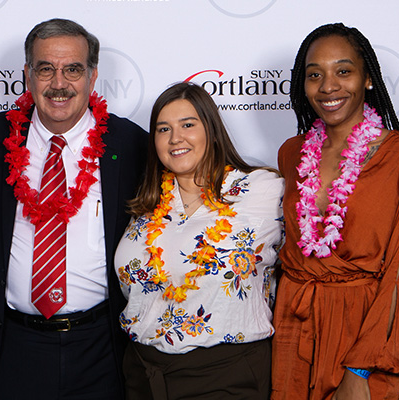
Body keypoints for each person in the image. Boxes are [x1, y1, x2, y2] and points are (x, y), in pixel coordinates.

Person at [0, 18, 148, 399]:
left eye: (73, 70)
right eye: (46, 69)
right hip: (15, 344)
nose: (59, 83)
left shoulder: (130, 144)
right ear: (27, 75)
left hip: (100, 345)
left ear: (93, 75)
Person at [271, 23, 399, 400]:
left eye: (343, 71)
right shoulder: (291, 152)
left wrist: (361, 367)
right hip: (292, 326)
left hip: (359, 332)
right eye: (315, 75)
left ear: (368, 80)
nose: (328, 86)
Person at [115, 82, 283, 399]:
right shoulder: (146, 206)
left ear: (212, 130)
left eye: (188, 125)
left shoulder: (263, 190)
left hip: (225, 374)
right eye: (163, 129)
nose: (175, 138)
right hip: (143, 373)